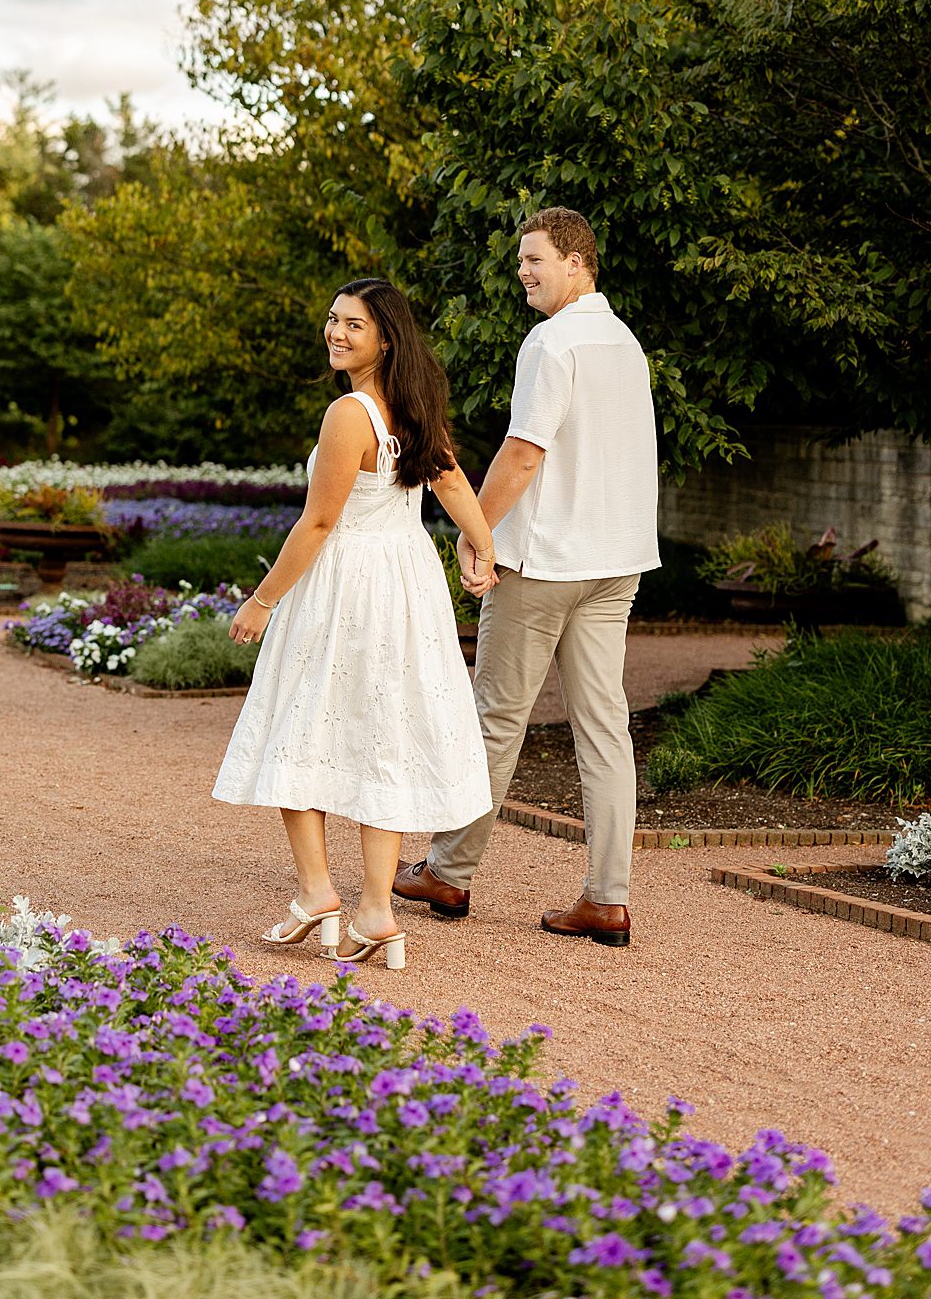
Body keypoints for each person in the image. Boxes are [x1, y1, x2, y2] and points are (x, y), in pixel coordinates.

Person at [394, 207, 660, 948]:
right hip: (617, 563)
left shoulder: (553, 342)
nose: (524, 272)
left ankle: (449, 871)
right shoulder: (626, 344)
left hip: (544, 562)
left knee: (496, 718)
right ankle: (607, 899)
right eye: (522, 263)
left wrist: (474, 535)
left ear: (579, 261)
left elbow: (522, 453)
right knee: (605, 728)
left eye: (536, 260)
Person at [213, 277, 496, 971]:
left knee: (298, 732)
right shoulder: (415, 403)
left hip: (344, 588)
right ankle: (376, 911)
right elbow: (453, 483)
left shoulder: (350, 414)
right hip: (406, 585)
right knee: (384, 740)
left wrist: (263, 599)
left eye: (354, 325)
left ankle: (317, 894)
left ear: (386, 337)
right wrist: (483, 545)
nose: (337, 333)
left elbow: (319, 521)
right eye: (333, 320)